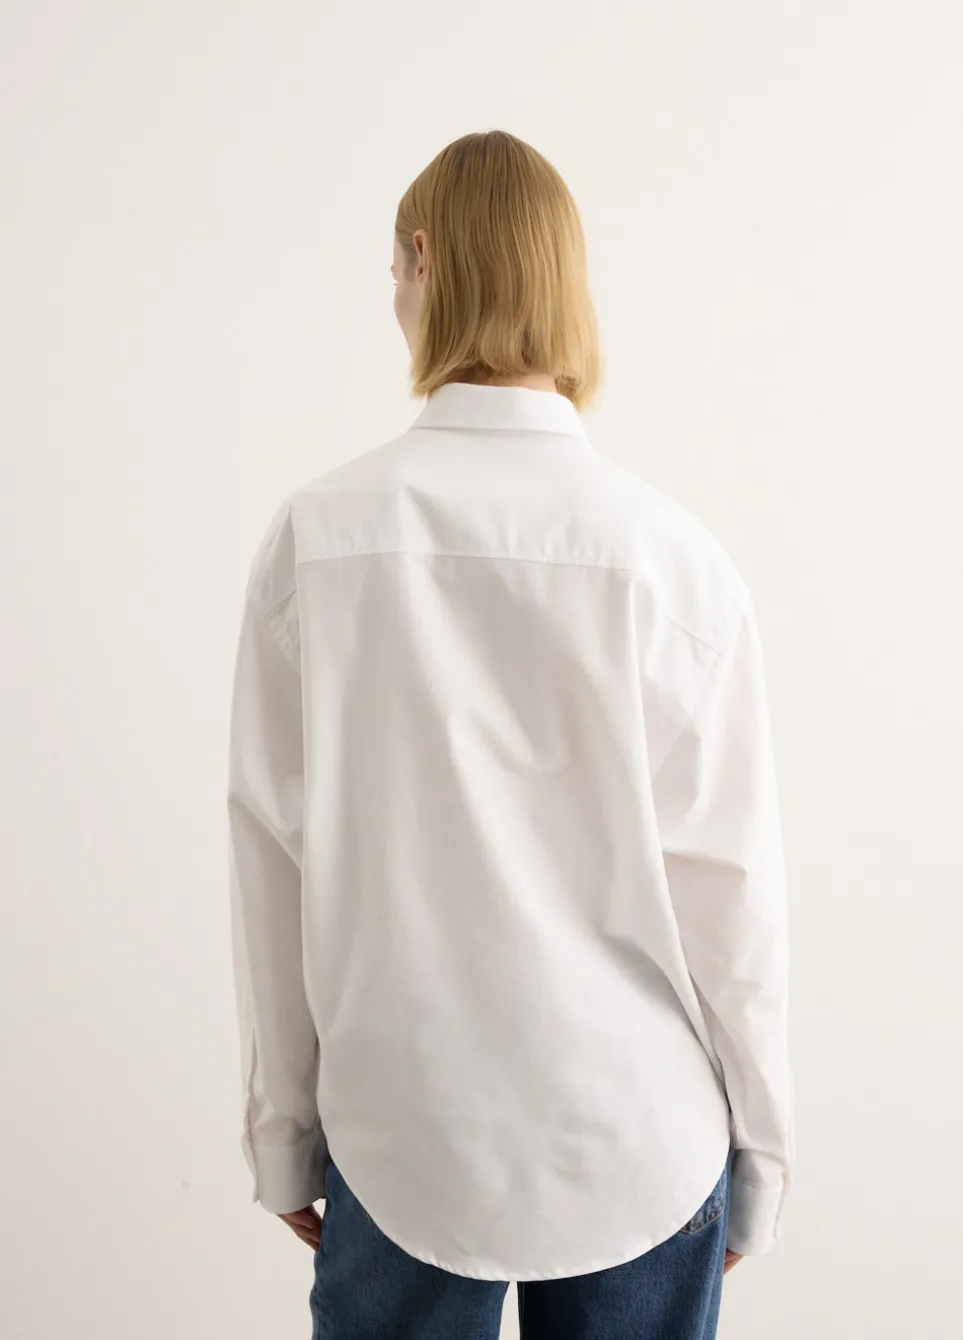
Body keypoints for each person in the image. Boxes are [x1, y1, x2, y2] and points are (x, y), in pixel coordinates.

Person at [226, 129, 795, 1340]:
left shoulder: (317, 540)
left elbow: (274, 859)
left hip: (406, 1132)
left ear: (424, 258)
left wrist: (283, 1135)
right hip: (639, 1134)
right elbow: (729, 891)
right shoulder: (672, 557)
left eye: (393, 266)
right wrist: (764, 1155)